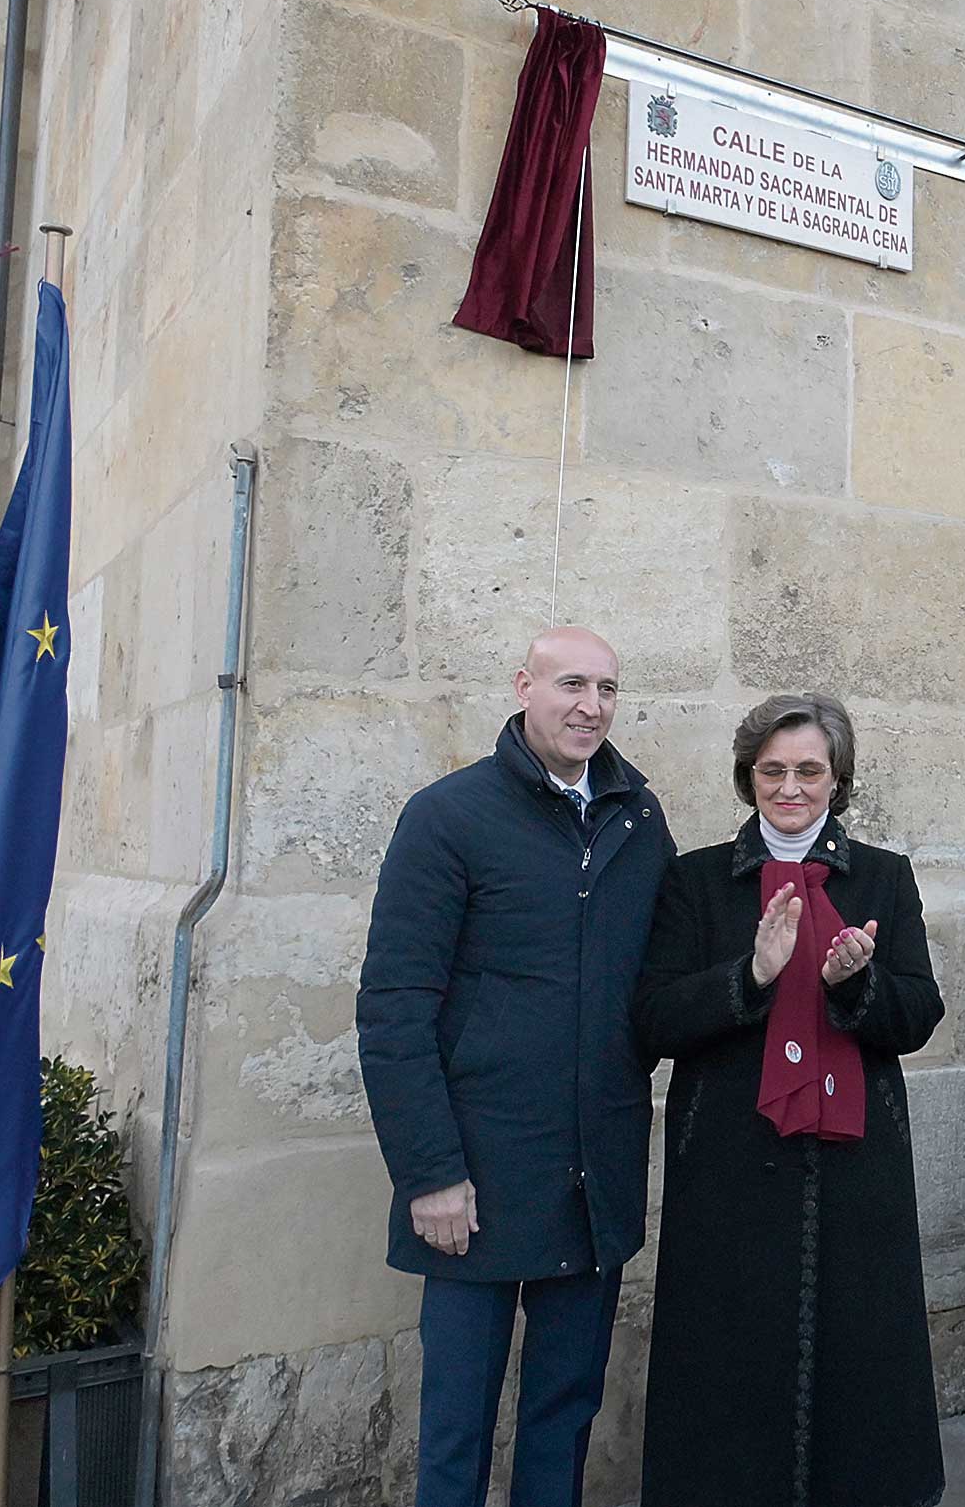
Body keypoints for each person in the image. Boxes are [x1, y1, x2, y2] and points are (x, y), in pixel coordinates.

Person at [357, 627, 676, 1507]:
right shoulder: (448, 815)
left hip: (591, 1180)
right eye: (571, 684)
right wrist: (430, 1173)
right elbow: (394, 1006)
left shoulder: (638, 819)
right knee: (456, 1425)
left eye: (608, 688)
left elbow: (660, 980)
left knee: (563, 1416)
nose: (591, 706)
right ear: (524, 687)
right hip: (476, 1180)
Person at [634, 694, 946, 1507]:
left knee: (858, 1352)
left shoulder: (883, 876)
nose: (790, 787)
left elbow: (918, 1016)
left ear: (837, 778)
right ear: (749, 777)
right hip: (732, 1160)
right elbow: (655, 1015)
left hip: (856, 1165)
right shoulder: (696, 879)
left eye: (809, 770)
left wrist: (858, 983)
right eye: (772, 770)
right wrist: (753, 975)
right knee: (729, 1351)